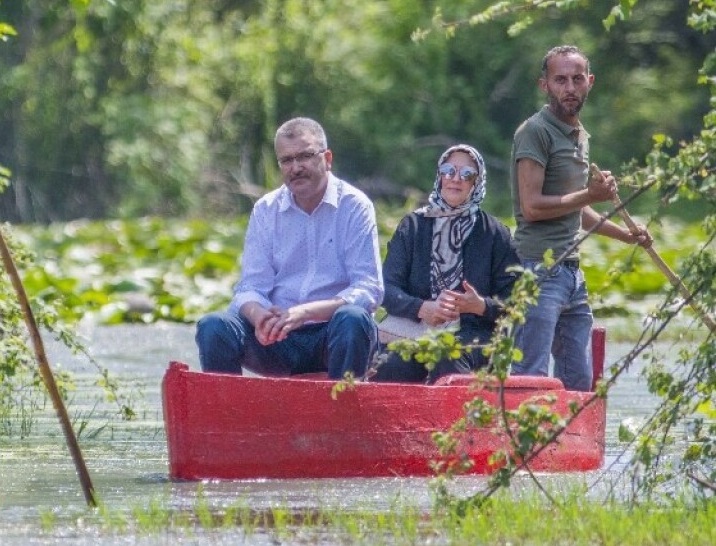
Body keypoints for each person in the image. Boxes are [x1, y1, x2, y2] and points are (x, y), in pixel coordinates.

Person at [195, 118, 381, 379]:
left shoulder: (355, 205)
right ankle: (227, 413)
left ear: (327, 158)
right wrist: (259, 315)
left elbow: (368, 289)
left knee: (353, 319)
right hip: (276, 337)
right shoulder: (265, 209)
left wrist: (304, 313)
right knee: (213, 326)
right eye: (286, 160)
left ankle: (344, 411)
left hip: (331, 334)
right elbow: (250, 288)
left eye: (305, 156)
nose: (296, 167)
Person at [510, 45, 651, 390]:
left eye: (576, 79)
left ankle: (568, 445)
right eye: (560, 80)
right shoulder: (535, 131)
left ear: (589, 82)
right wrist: (591, 193)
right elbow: (532, 206)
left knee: (578, 382)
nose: (569, 88)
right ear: (544, 85)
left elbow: (575, 208)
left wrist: (626, 235)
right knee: (531, 376)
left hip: (572, 275)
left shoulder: (579, 135)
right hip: (538, 270)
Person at [371, 144, 521, 383]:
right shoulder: (413, 226)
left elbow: (516, 302)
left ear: (476, 182)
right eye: (448, 170)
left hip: (474, 336)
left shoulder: (495, 234)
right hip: (415, 328)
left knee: (448, 357)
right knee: (391, 364)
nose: (455, 179)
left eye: (466, 174)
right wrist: (422, 308)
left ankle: (452, 421)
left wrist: (480, 306)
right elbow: (386, 289)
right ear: (440, 175)